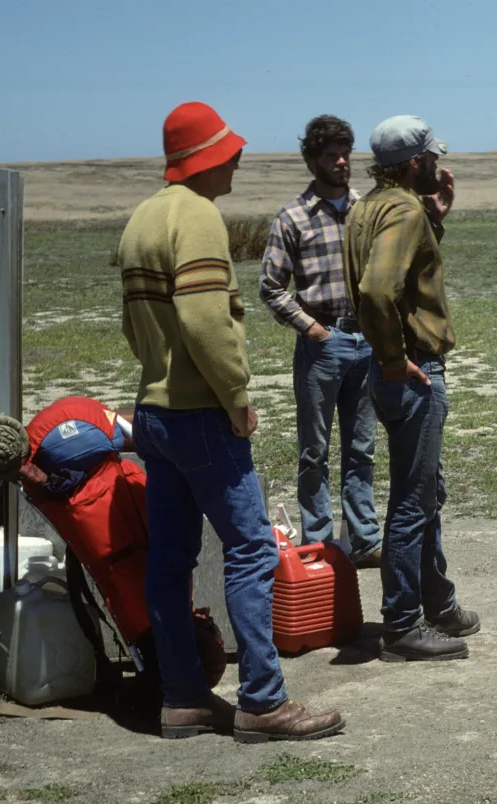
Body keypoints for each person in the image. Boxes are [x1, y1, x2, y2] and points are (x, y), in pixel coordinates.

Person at [118, 101, 344, 743]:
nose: (239, 160)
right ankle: (263, 702)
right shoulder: (197, 217)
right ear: (207, 157)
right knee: (249, 551)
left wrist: (162, 372)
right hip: (201, 412)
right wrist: (235, 394)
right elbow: (205, 321)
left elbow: (133, 327)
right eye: (231, 151)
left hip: (153, 411)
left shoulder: (142, 219)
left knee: (169, 559)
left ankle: (183, 695)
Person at [343, 115, 481, 662]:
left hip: (390, 369)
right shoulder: (401, 209)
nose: (439, 167)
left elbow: (397, 280)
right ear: (415, 162)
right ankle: (401, 625)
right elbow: (379, 290)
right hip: (412, 370)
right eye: (432, 158)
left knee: (424, 494)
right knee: (411, 501)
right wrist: (397, 359)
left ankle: (438, 602)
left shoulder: (368, 207)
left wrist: (436, 223)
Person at [260, 115, 382, 566]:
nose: (341, 161)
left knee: (362, 448)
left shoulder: (365, 211)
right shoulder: (293, 216)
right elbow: (270, 286)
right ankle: (319, 542)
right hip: (322, 343)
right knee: (315, 451)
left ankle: (365, 540)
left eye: (345, 152)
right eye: (331, 154)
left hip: (367, 340)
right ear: (311, 160)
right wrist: (312, 328)